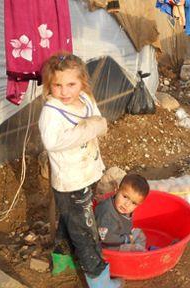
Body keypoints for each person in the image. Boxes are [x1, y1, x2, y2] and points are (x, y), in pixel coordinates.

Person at [38, 52, 121, 288]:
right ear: (49, 85)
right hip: (70, 182)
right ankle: (100, 281)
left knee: (70, 220)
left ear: (82, 82)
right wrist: (90, 127)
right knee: (85, 233)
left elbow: (95, 119)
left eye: (71, 84)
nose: (65, 91)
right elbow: (53, 143)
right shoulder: (51, 113)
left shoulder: (84, 99)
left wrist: (95, 123)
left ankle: (62, 260)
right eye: (58, 85)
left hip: (87, 173)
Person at [95, 174, 150, 252]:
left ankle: (138, 249)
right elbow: (105, 237)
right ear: (117, 190)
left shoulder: (120, 205)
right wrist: (126, 239)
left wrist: (127, 237)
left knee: (139, 233)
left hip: (122, 235)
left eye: (134, 203)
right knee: (137, 249)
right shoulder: (107, 213)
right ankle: (140, 256)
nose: (127, 204)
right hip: (110, 246)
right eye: (125, 197)